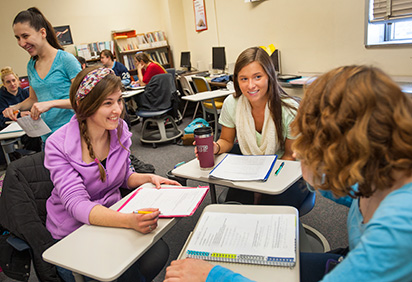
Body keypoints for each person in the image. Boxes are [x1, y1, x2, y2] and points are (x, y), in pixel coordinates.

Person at [165, 65, 412, 282]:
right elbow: (352, 192)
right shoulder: (385, 177)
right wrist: (314, 175)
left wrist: (212, 276)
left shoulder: (398, 230)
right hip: (349, 257)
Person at [45, 67, 181, 282]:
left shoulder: (119, 130)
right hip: (74, 235)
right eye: (107, 103)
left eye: (119, 100)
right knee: (118, 274)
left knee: (157, 253)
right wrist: (128, 221)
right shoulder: (58, 145)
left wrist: (148, 178)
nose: (117, 110)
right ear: (84, 105)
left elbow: (123, 175)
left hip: (113, 219)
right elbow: (76, 205)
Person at [198, 47, 299, 205]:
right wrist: (215, 147)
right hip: (249, 170)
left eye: (257, 77)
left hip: (281, 170)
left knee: (268, 210)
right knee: (233, 206)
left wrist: (262, 184)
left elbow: (290, 156)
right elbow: (226, 140)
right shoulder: (232, 104)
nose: (250, 85)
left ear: (269, 76)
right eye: (243, 79)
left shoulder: (288, 110)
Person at [2, 7, 81, 142]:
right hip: (48, 138)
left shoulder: (66, 60)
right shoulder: (31, 65)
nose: (21, 43)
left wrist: (50, 104)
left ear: (42, 32)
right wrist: (16, 107)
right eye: (18, 38)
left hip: (73, 135)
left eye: (25, 36)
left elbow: (83, 101)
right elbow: (33, 99)